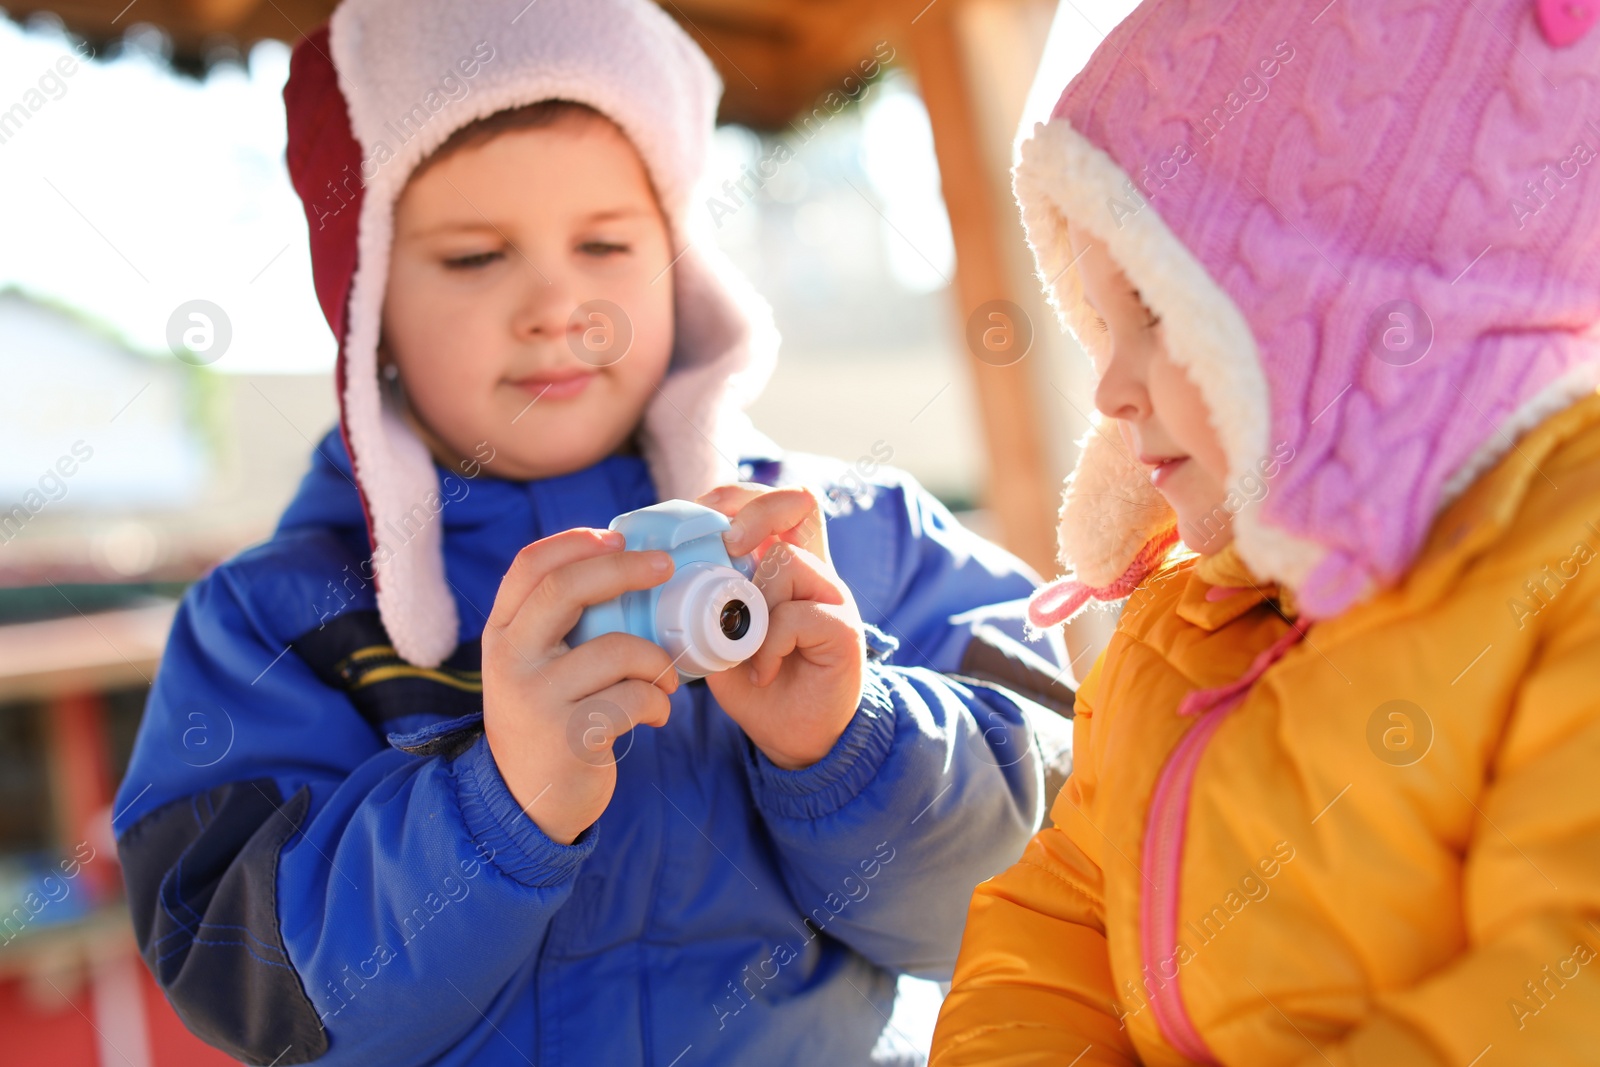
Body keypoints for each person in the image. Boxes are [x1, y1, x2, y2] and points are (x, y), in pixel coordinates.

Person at [110, 1, 1073, 1063]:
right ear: (367, 301)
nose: (558, 302)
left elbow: (1030, 897)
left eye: (607, 241)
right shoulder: (276, 624)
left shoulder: (860, 544)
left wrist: (853, 741)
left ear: (681, 258)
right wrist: (497, 809)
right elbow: (264, 993)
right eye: (476, 256)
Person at [932, 1, 1600, 1064]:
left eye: (1160, 313)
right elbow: (1053, 929)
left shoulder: (1563, 564)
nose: (1107, 383)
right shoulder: (1177, 630)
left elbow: (1565, 975)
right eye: (1102, 322)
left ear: (1344, 301)